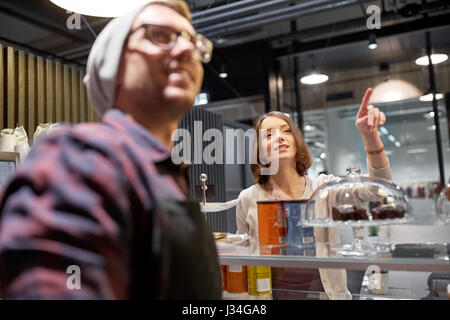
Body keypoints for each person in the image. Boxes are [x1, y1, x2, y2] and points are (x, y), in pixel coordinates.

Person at [0, 0, 221, 299]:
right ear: (114, 66)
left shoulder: (167, 174)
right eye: (160, 35)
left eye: (193, 42)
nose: (185, 50)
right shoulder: (82, 155)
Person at [236, 88, 392, 300]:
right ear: (259, 150)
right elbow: (246, 260)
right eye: (269, 134)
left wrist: (370, 135)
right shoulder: (247, 199)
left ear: (296, 141)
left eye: (286, 131)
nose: (279, 138)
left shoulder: (323, 188)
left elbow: (377, 189)